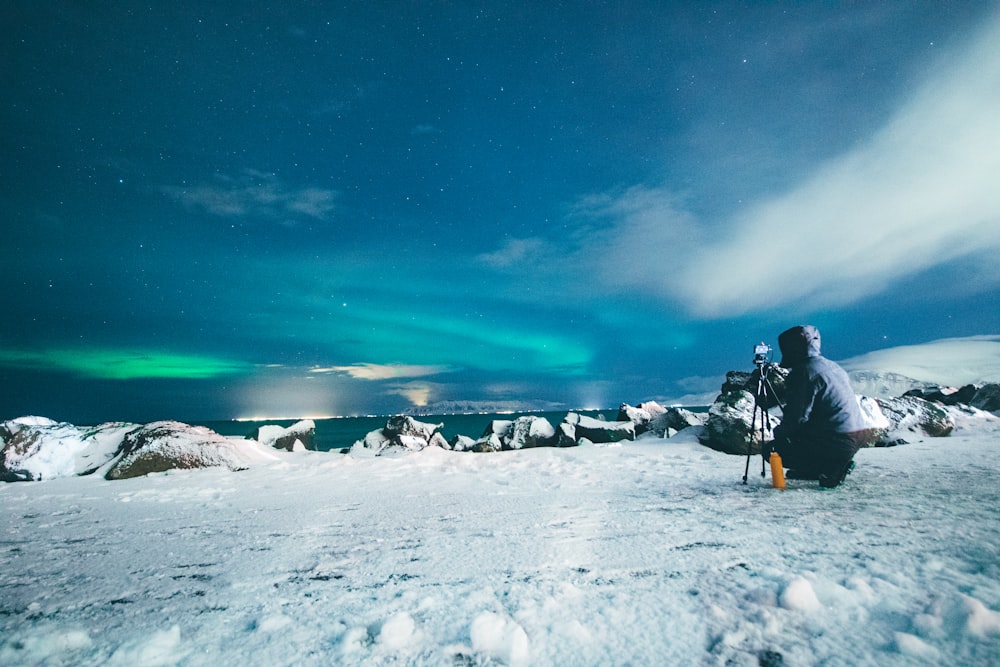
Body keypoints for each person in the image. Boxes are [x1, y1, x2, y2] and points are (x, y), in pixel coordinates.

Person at [768, 325, 870, 488]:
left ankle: (830, 468)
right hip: (857, 434)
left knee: (774, 448)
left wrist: (779, 434)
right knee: (802, 436)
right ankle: (827, 465)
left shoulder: (803, 373)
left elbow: (798, 416)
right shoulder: (833, 366)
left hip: (837, 440)